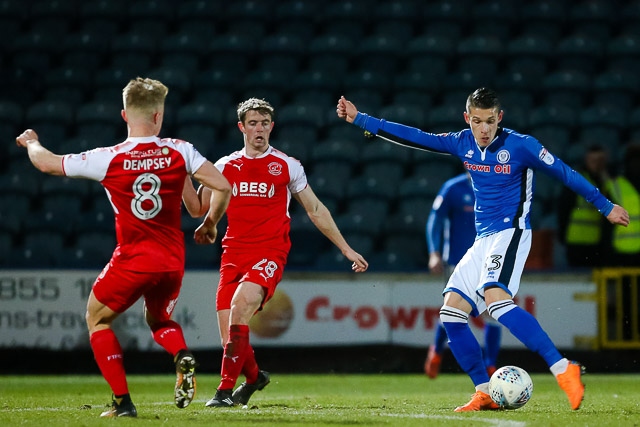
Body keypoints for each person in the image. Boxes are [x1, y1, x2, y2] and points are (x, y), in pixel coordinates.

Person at [337, 88, 630, 412]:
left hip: (511, 232)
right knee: (451, 312)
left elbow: (564, 172)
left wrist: (604, 206)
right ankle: (484, 390)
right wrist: (361, 119)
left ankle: (563, 369)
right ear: (468, 119)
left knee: (495, 299)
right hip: (483, 239)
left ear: (499, 118)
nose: (484, 129)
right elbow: (417, 137)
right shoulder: (462, 142)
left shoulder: (522, 145)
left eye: (490, 121)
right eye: (477, 121)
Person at [15, 77, 232, 418]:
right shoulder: (180, 150)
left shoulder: (108, 158)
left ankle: (122, 403)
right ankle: (180, 355)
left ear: (124, 115)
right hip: (172, 261)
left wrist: (32, 142)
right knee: (159, 319)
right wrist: (210, 224)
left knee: (97, 318)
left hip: (133, 258)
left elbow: (47, 163)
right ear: (159, 116)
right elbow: (219, 187)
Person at [183, 98, 369, 408]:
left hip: (269, 252)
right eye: (253, 123)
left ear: (272, 126)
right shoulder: (224, 166)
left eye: (265, 123)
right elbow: (198, 209)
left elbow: (315, 209)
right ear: (241, 127)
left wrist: (346, 248)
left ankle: (223, 393)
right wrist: (182, 181)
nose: (260, 129)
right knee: (231, 339)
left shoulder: (286, 165)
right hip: (232, 254)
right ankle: (255, 378)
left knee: (240, 307)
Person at [425, 172, 502, 379]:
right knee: (454, 312)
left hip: (489, 262)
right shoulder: (453, 187)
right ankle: (437, 351)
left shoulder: (496, 185)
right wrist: (434, 253)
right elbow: (435, 220)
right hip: (458, 263)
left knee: (493, 311)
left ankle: (490, 366)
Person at [557, 145, 614, 267]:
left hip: (597, 242)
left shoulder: (607, 182)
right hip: (576, 242)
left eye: (600, 161)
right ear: (586, 160)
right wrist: (562, 235)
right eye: (594, 161)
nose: (597, 164)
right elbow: (563, 209)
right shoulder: (576, 180)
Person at [606, 143, 640, 266]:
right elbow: (606, 223)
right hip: (621, 253)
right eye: (633, 160)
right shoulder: (615, 186)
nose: (636, 164)